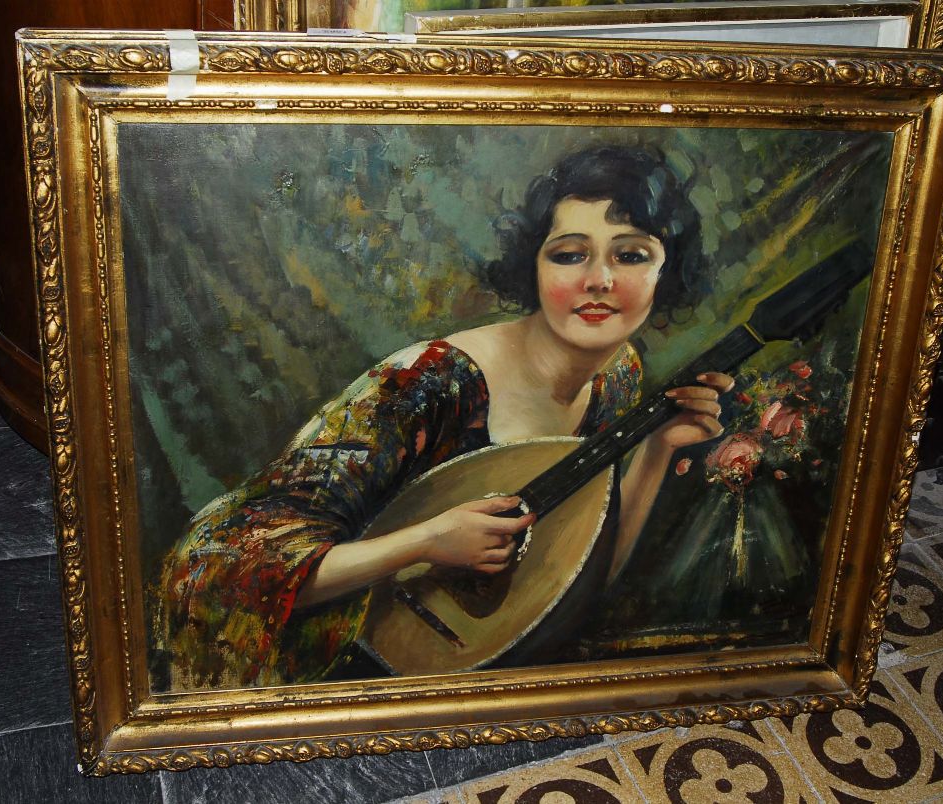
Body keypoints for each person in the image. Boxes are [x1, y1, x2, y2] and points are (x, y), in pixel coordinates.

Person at [155, 145, 733, 690]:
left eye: (631, 255)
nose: (599, 280)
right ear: (532, 267)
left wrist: (656, 450)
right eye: (569, 254)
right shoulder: (429, 382)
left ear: (667, 273)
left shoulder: (617, 377)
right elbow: (215, 570)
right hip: (319, 671)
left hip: (449, 666)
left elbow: (576, 575)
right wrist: (426, 541)